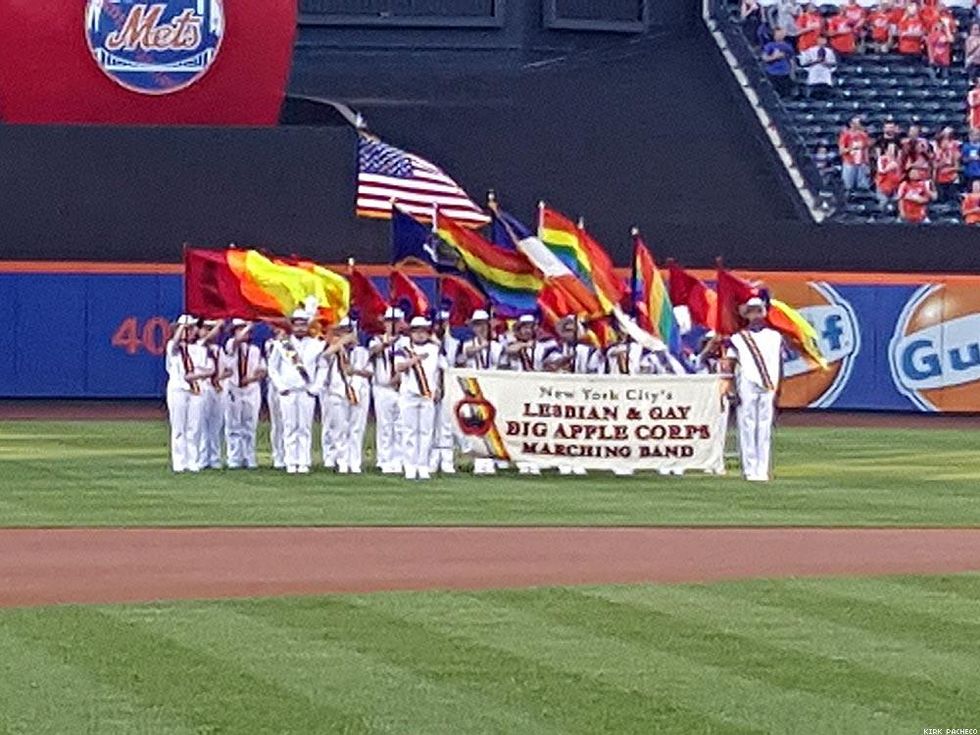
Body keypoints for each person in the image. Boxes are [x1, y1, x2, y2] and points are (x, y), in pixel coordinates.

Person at [724, 297, 784, 483]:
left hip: (769, 384)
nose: (756, 315)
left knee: (764, 427)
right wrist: (732, 389)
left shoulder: (775, 337)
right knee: (747, 425)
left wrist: (779, 388)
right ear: (747, 314)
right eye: (752, 311)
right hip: (747, 382)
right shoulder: (738, 338)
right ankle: (749, 468)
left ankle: (762, 468)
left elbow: (779, 363)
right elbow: (730, 364)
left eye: (759, 310)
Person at [266, 309, 325, 474]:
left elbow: (322, 367)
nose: (300, 328)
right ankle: (291, 461)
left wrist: (315, 388)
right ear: (292, 326)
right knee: (289, 427)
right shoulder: (282, 345)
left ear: (307, 326)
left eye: (303, 325)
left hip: (306, 391)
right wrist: (281, 387)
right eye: (297, 325)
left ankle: (304, 461)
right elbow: (273, 368)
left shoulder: (316, 345)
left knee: (304, 428)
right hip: (288, 391)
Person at [394, 316, 447, 481]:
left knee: (426, 432)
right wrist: (415, 360)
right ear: (411, 333)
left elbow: (443, 368)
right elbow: (399, 367)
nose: (420, 335)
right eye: (417, 331)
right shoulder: (403, 347)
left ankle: (423, 465)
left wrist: (439, 387)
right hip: (409, 394)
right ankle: (410, 466)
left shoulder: (434, 349)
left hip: (427, 394)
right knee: (409, 431)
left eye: (424, 331)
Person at [321, 317, 372, 474]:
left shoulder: (361, 352)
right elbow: (323, 357)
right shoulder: (334, 350)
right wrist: (340, 343)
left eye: (349, 331)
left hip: (359, 391)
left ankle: (354, 461)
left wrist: (355, 371)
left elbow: (370, 371)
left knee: (356, 428)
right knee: (340, 428)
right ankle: (342, 460)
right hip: (337, 391)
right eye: (343, 331)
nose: (347, 335)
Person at [458, 308, 505, 475]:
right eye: (477, 325)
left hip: (491, 386)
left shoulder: (497, 345)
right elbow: (466, 354)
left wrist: (490, 343)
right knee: (476, 424)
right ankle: (479, 458)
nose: (481, 328)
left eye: (483, 325)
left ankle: (493, 457)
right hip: (474, 388)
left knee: (493, 423)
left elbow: (500, 361)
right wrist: (483, 345)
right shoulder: (468, 344)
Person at [165, 316, 214, 473]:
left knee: (194, 427)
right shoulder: (174, 348)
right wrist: (181, 327)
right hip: (178, 389)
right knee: (179, 426)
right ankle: (179, 461)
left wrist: (197, 376)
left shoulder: (200, 349)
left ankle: (193, 460)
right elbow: (175, 343)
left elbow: (209, 370)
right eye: (188, 329)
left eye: (192, 329)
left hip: (196, 389)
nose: (190, 332)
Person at [223, 319, 266, 470]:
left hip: (251, 389)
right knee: (234, 424)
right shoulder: (230, 345)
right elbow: (236, 341)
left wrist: (252, 378)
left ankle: (249, 456)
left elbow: (262, 370)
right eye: (239, 329)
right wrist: (250, 324)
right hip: (234, 388)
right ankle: (234, 457)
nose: (244, 333)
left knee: (250, 424)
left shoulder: (254, 350)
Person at [369, 307, 405, 474]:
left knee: (400, 425)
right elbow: (373, 352)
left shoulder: (405, 342)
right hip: (382, 387)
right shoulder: (376, 340)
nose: (392, 325)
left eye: (396, 322)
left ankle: (398, 459)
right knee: (385, 425)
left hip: (400, 388)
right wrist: (386, 344)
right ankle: (384, 459)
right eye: (390, 322)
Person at [430, 309, 460, 475]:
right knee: (432, 424)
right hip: (432, 386)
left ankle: (447, 459)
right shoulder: (430, 344)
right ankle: (432, 458)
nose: (442, 326)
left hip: (450, 387)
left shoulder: (455, 343)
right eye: (439, 323)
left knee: (447, 424)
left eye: (445, 323)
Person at [197, 320, 229, 470]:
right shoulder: (197, 347)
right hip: (203, 387)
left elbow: (227, 369)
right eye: (206, 329)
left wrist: (221, 377)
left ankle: (215, 457)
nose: (210, 332)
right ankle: (202, 457)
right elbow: (205, 339)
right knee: (202, 424)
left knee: (216, 425)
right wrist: (219, 324)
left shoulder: (218, 350)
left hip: (217, 388)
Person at [263, 327, 286, 469]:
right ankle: (278, 455)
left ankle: (290, 454)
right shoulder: (271, 343)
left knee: (290, 424)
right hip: (275, 386)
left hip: (290, 385)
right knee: (277, 423)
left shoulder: (293, 343)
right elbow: (272, 359)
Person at [838, 116, 872, 193]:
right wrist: (852, 148)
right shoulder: (845, 135)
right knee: (848, 186)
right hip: (849, 163)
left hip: (861, 163)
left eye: (858, 123)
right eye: (855, 123)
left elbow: (866, 149)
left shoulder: (863, 135)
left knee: (862, 187)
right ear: (851, 124)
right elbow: (841, 151)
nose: (857, 124)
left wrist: (867, 163)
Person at [761, 27, 796, 96]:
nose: (780, 35)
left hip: (785, 72)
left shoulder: (788, 46)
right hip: (773, 72)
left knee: (785, 92)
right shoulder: (770, 45)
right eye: (777, 34)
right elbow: (764, 58)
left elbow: (791, 59)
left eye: (781, 34)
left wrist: (792, 71)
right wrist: (775, 57)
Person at [933, 127, 961, 202]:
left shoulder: (953, 152)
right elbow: (935, 167)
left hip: (951, 179)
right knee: (942, 200)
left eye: (947, 141)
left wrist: (948, 170)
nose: (945, 143)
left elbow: (957, 167)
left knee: (951, 199)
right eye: (943, 141)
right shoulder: (937, 153)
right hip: (940, 180)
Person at [875, 141, 904, 209]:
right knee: (884, 201)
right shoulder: (881, 159)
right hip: (882, 186)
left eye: (893, 149)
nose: (892, 151)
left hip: (894, 187)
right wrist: (889, 167)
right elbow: (881, 170)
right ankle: (879, 215)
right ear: (886, 150)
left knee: (898, 201)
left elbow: (900, 175)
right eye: (890, 149)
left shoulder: (898, 161)